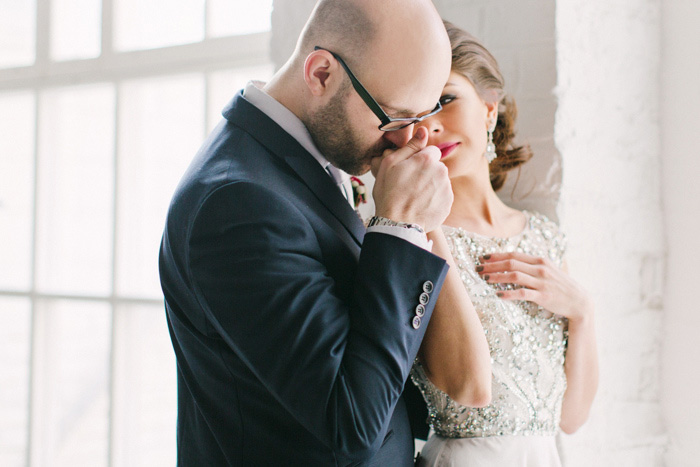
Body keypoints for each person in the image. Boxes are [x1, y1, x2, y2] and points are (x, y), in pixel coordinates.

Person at [158, 1, 456, 465]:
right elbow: (350, 424)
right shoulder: (237, 203)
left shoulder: (303, 161)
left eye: (423, 116)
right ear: (320, 74)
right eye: (396, 117)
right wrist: (399, 226)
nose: (409, 140)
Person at [408, 22, 599, 466]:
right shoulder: (416, 238)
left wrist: (583, 312)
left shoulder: (544, 237)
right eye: (415, 115)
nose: (431, 126)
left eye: (445, 100)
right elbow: (467, 389)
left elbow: (570, 418)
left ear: (489, 110)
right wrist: (428, 221)